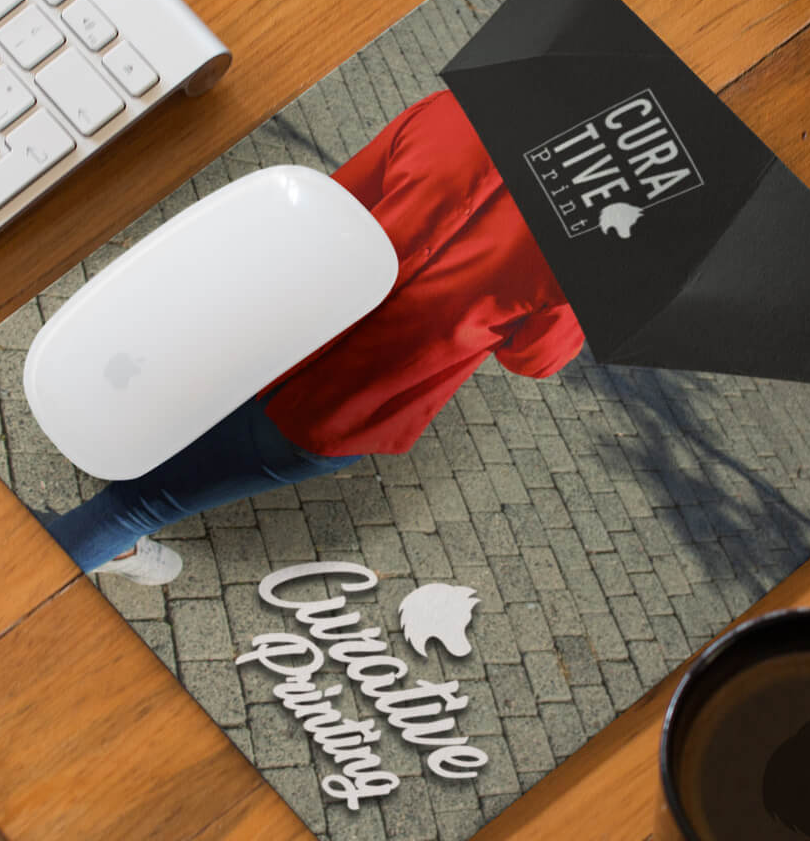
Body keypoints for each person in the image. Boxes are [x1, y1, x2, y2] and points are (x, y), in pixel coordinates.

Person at [46, 89, 585, 584]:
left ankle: (110, 506)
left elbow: (339, 199)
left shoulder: (459, 111)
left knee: (159, 429)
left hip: (271, 324)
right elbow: (534, 360)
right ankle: (82, 551)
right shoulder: (590, 252)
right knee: (145, 504)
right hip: (342, 409)